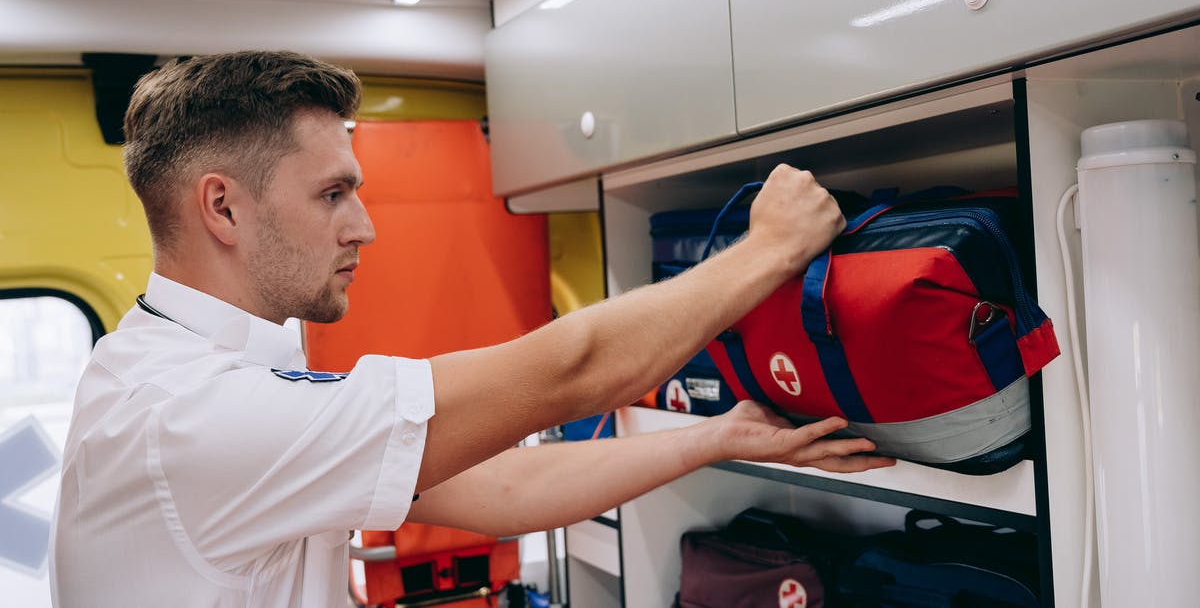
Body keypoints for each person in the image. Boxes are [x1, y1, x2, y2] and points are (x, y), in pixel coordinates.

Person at [50, 50, 895, 607]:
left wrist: (716, 438)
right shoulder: (191, 414)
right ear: (223, 206)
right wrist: (772, 249)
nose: (364, 227)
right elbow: (573, 368)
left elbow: (495, 491)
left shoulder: (186, 367)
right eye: (332, 193)